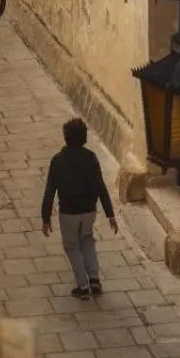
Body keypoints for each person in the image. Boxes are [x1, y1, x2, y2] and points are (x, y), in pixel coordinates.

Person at [41, 117, 118, 298]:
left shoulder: (58, 161)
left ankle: (83, 286)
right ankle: (94, 278)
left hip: (69, 212)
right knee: (87, 239)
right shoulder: (91, 158)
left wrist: (45, 218)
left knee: (72, 246)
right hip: (89, 210)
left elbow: (50, 190)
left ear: (66, 137)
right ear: (84, 137)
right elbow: (101, 186)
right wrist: (110, 214)